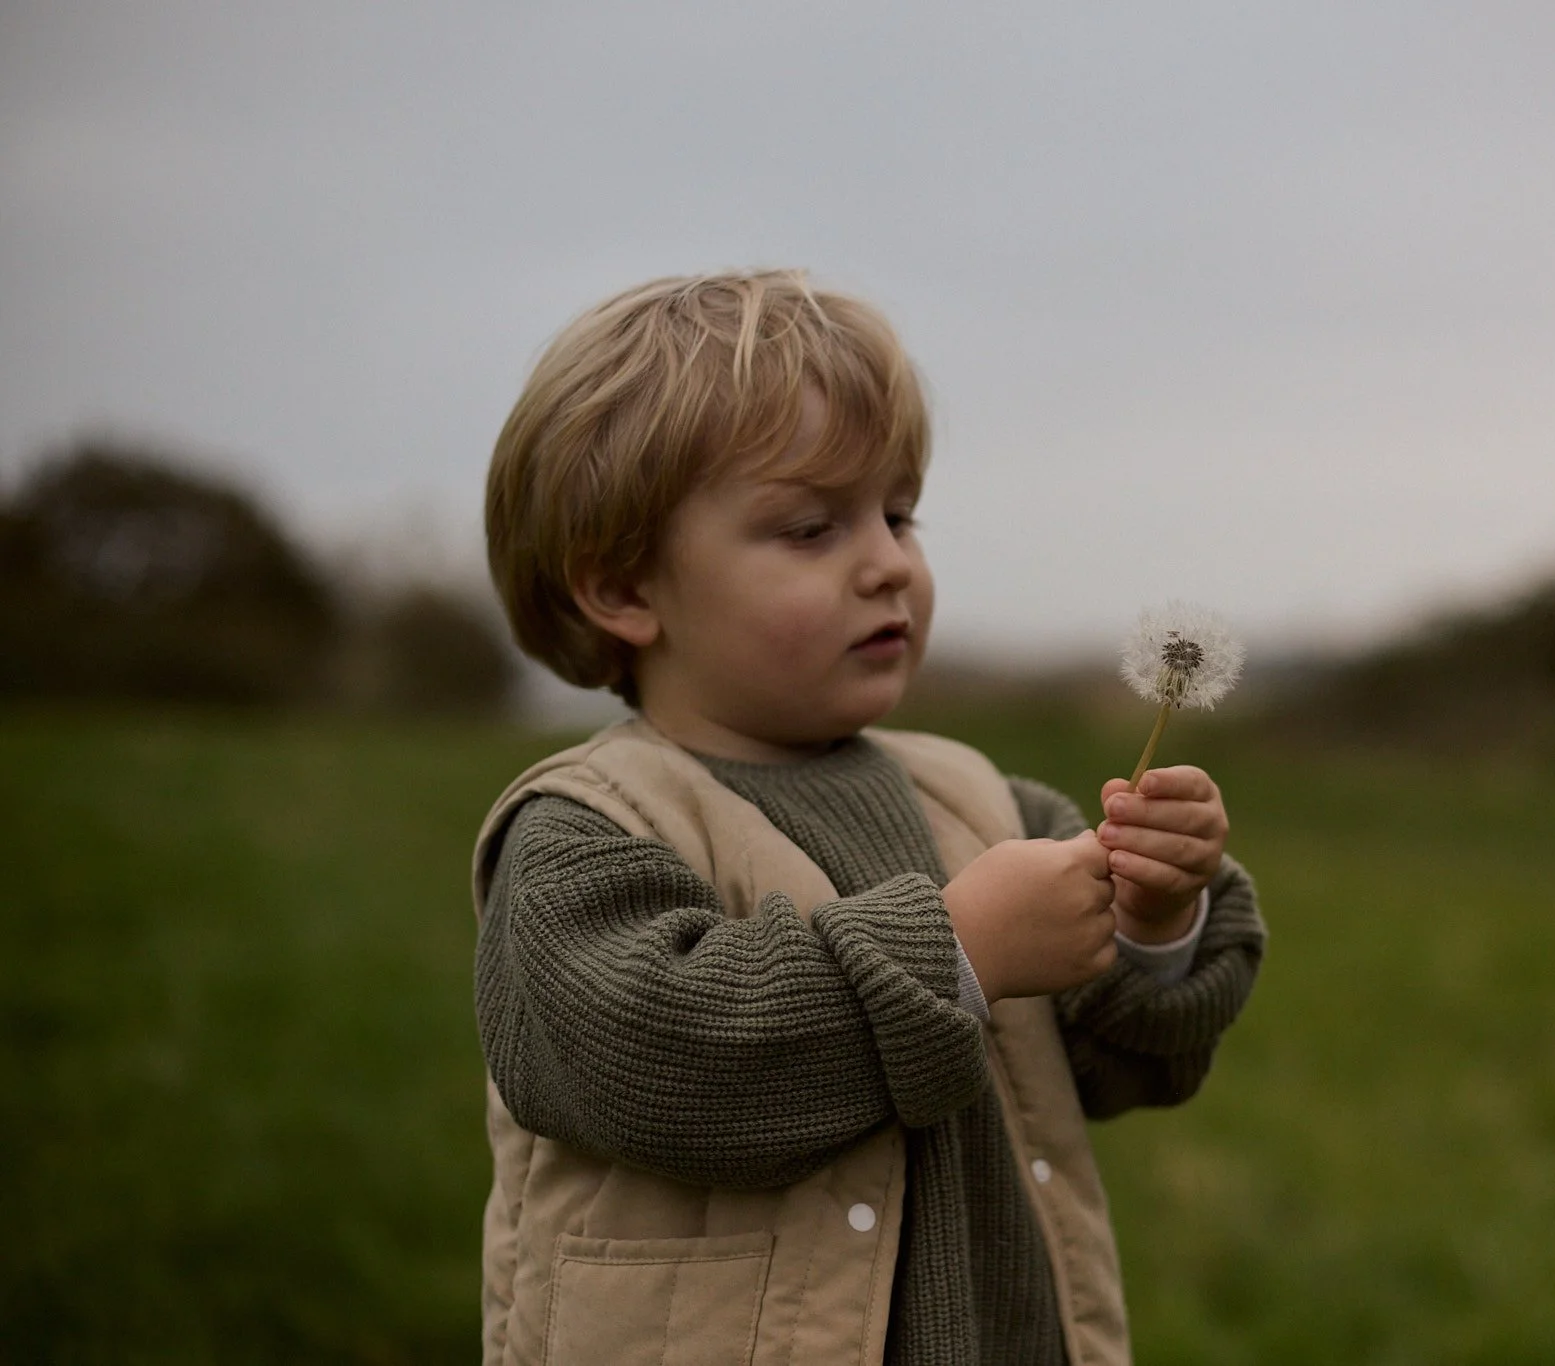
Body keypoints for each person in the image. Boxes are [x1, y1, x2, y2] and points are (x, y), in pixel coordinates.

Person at [471, 270, 1265, 1366]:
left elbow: (1120, 1069)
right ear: (624, 591)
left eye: (898, 513)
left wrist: (1153, 921)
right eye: (810, 527)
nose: (888, 561)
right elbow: (667, 1070)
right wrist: (958, 952)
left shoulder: (984, 805)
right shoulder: (585, 830)